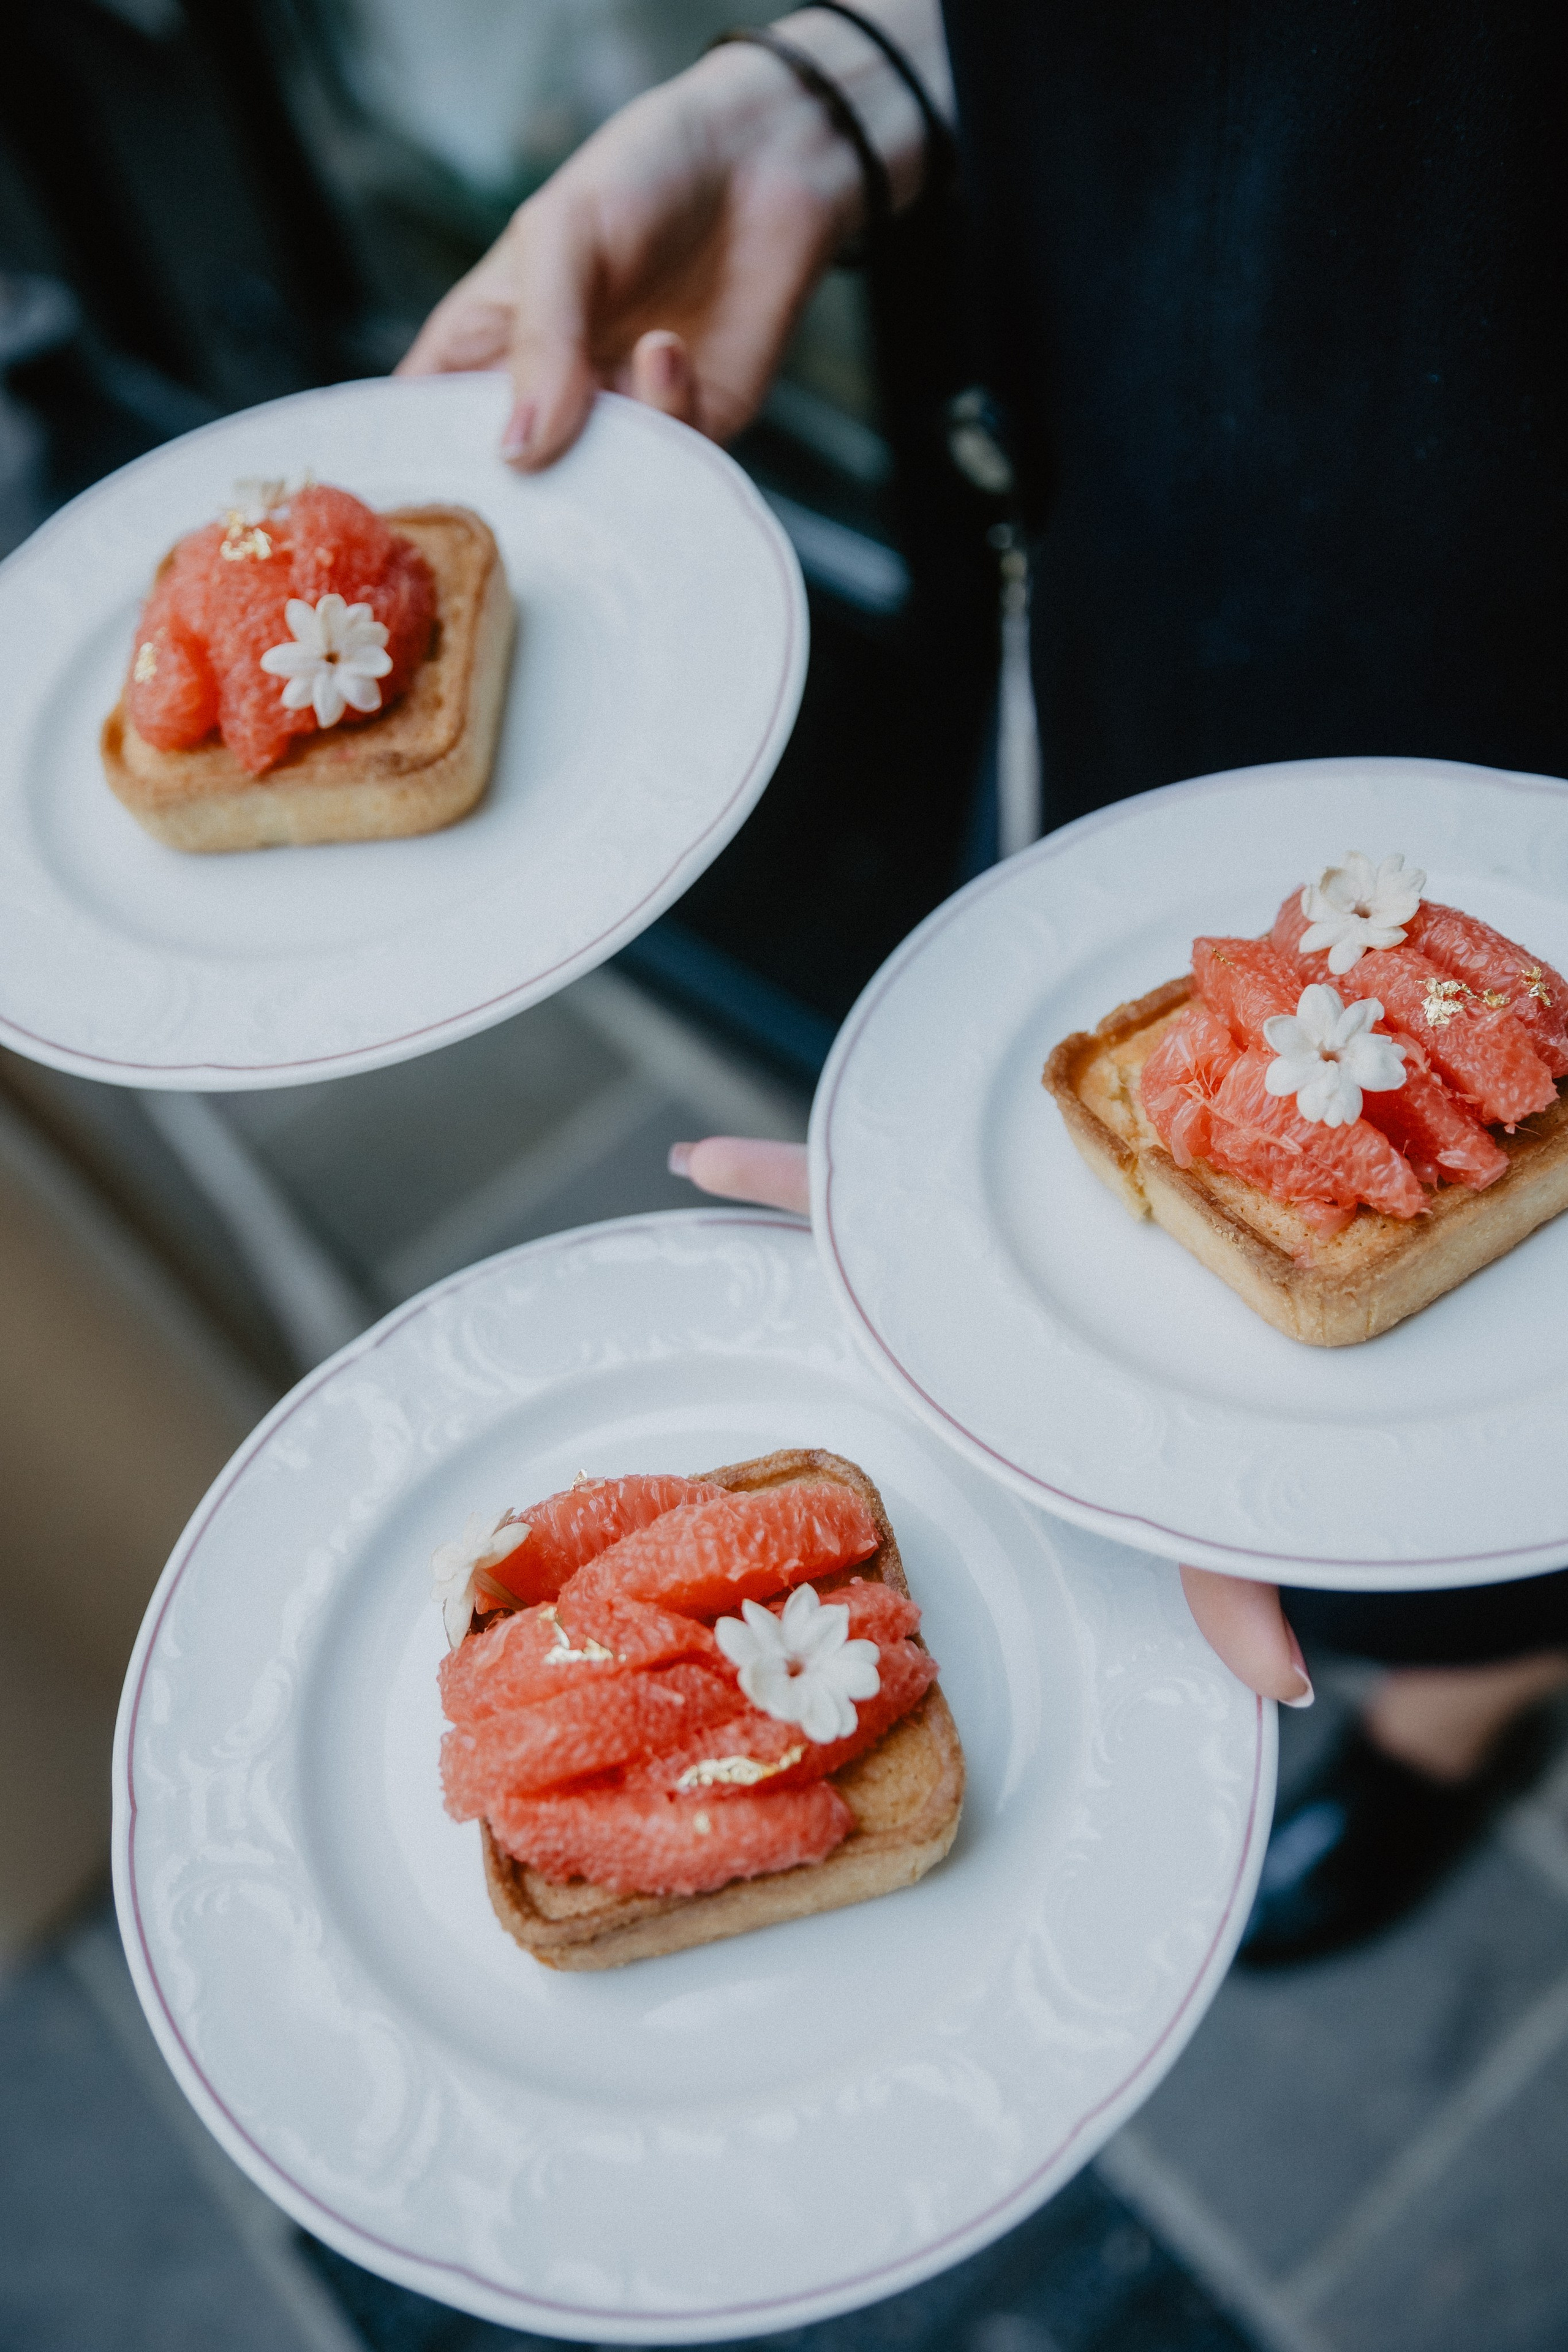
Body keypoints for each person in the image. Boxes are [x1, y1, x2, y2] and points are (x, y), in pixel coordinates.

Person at [399, 1, 1568, 1962]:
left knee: (1472, 1416)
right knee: (1139, 1068)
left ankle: (1489, 1658)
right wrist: (837, 100)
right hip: (1132, 464)